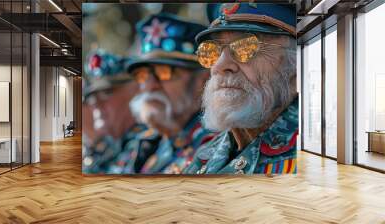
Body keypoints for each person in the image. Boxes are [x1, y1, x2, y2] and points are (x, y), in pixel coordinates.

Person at [183, 3, 298, 175]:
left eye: (246, 47)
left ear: (295, 64)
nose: (219, 66)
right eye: (212, 51)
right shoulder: (205, 154)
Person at [117, 13, 215, 174]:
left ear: (203, 80)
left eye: (164, 72)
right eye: (142, 75)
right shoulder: (148, 145)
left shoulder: (218, 146)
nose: (150, 86)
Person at [82, 49, 151, 174]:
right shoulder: (110, 149)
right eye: (92, 97)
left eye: (106, 93)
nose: (95, 104)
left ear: (137, 90)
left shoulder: (147, 146)